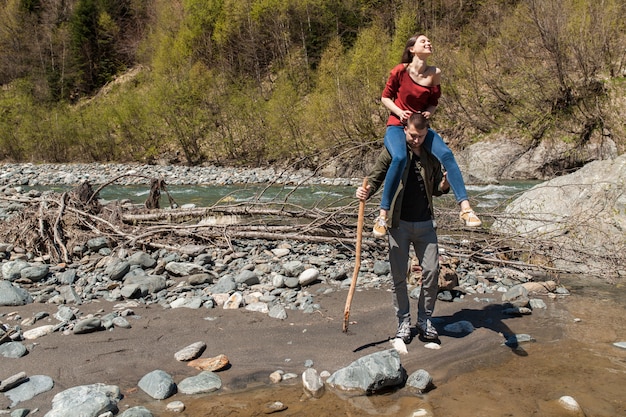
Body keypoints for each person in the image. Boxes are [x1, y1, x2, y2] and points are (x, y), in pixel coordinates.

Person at [373, 33, 481, 237]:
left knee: (447, 155)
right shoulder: (399, 71)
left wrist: (429, 112)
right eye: (423, 41)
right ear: (412, 49)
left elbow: (434, 102)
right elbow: (385, 98)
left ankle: (466, 209)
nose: (428, 42)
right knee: (399, 157)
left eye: (429, 41)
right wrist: (399, 112)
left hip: (421, 129)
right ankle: (382, 215)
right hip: (397, 126)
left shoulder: (434, 73)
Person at [356, 113, 449, 343]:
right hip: (398, 224)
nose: (416, 140)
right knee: (399, 276)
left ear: (427, 132)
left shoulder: (430, 154)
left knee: (431, 272)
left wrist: (444, 185)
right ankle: (404, 322)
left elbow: (437, 188)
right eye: (412, 135)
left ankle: (425, 320)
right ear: (404, 129)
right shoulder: (394, 151)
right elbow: (375, 178)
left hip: (426, 223)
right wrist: (364, 191)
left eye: (421, 136)